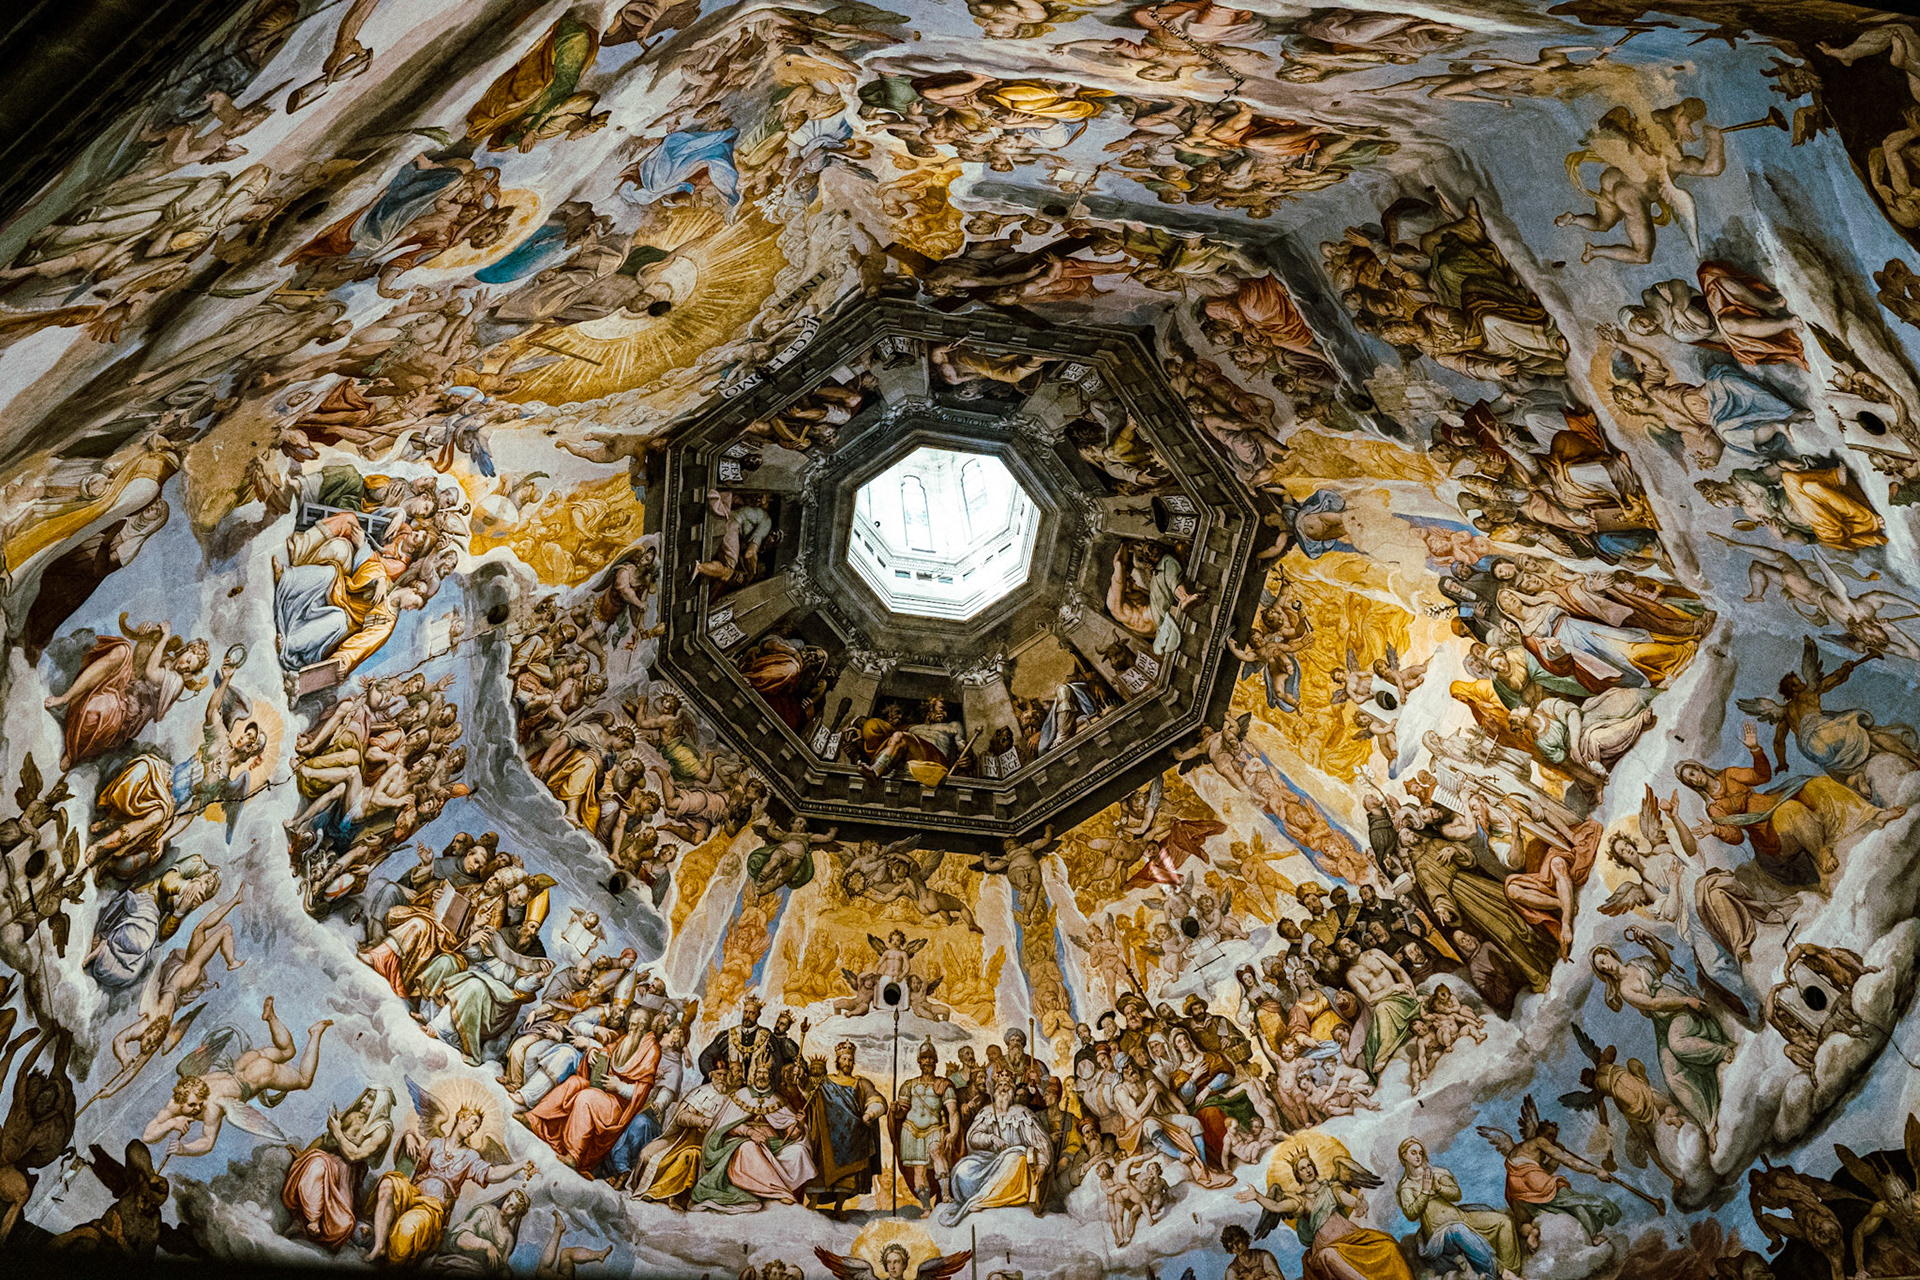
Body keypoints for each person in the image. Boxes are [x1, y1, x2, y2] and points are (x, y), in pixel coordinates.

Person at [367, 1105, 533, 1264]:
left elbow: (493, 1174)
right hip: (412, 1193)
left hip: (432, 1208)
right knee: (388, 1183)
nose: (474, 1129)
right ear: (461, 1117)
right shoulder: (435, 1143)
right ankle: (379, 1246)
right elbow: (415, 1165)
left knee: (407, 1229)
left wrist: (520, 1164)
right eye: (473, 1122)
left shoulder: (470, 1157)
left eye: (477, 1127)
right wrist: (409, 1136)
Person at [1237, 1151, 1412, 1280]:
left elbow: (1347, 1199)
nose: (1307, 1170)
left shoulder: (1331, 1187)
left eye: (1309, 1166)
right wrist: (1258, 1197)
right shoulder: (1300, 1200)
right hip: (1327, 1246)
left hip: (1353, 1238)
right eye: (1302, 1169)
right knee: (1330, 1255)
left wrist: (1359, 1203)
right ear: (1298, 1175)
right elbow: (1275, 1205)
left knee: (1389, 1246)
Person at [689, 1047, 817, 1212]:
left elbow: (791, 1135)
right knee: (749, 1148)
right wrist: (750, 1133)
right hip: (742, 1143)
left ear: (770, 1077)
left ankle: (782, 1192)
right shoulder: (741, 1095)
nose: (762, 1076)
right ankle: (779, 1191)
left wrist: (798, 1124)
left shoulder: (779, 1099)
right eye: (758, 1073)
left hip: (775, 1146)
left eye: (765, 1073)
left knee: (799, 1151)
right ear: (753, 1076)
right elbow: (726, 1126)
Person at [281, 1088, 396, 1251]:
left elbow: (354, 1156)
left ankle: (316, 1234)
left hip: (346, 1173)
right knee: (318, 1163)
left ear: (380, 1104)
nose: (363, 1101)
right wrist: (303, 1154)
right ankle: (306, 1221)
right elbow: (326, 1141)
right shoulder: (354, 1117)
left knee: (344, 1225)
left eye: (370, 1098)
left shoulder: (381, 1131)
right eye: (365, 1096)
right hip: (325, 1161)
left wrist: (337, 1131)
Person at [1396, 1138, 1523, 1280]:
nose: (1418, 1156)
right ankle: (1494, 1272)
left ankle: (1509, 1272)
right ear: (1404, 1156)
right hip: (1439, 1234)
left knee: (1504, 1221)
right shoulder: (1406, 1187)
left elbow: (1456, 1194)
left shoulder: (1437, 1173)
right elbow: (1411, 1214)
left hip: (1462, 1218)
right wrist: (1425, 1192)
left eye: (1420, 1152)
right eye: (1413, 1153)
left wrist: (1438, 1187)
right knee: (1458, 1230)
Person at [936, 1075, 1052, 1224]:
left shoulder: (1022, 1113)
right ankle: (983, 1197)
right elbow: (972, 1137)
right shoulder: (987, 1112)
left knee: (1015, 1157)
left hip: (1015, 1162)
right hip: (989, 1160)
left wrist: (1042, 1164)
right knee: (962, 1169)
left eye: (1007, 1085)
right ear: (995, 1090)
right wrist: (991, 1138)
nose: (1003, 1088)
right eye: (1000, 1085)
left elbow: (1041, 1141)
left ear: (1012, 1091)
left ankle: (983, 1200)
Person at [805, 1041, 886, 1214]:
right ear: (837, 1061)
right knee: (820, 1165)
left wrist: (869, 1114)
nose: (847, 1063)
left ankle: (839, 1207)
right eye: (844, 1059)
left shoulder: (861, 1083)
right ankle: (814, 1202)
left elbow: (877, 1101)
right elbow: (808, 1093)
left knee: (849, 1175)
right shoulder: (826, 1081)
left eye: (850, 1060)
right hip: (828, 1135)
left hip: (853, 1136)